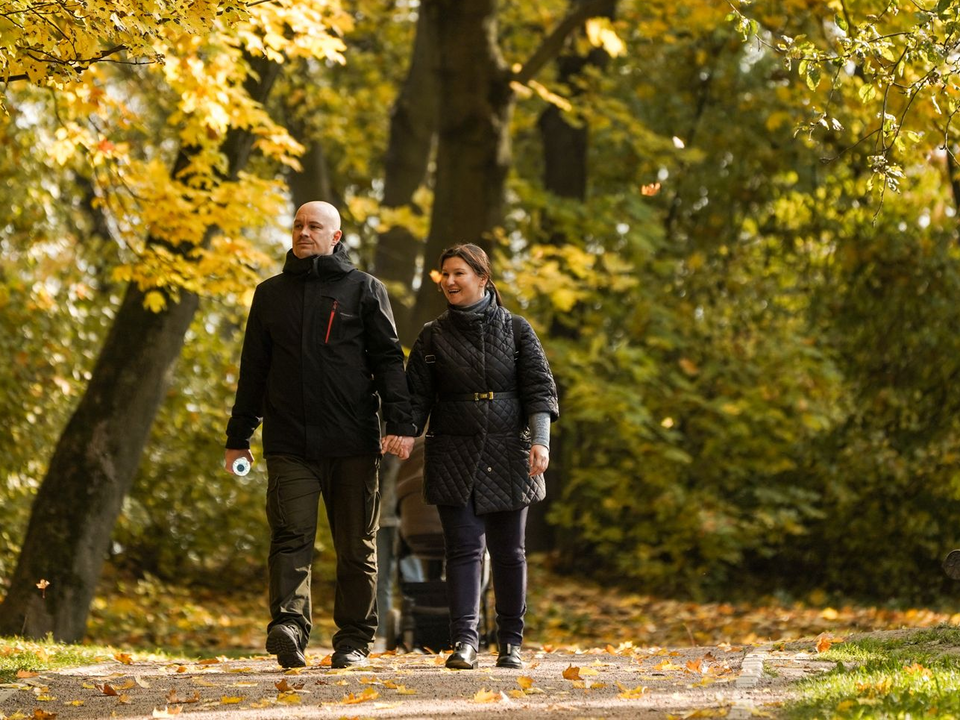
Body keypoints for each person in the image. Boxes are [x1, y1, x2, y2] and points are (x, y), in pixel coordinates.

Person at [224, 201, 414, 669]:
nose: (304, 232)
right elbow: (254, 371)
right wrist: (238, 436)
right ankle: (288, 627)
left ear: (336, 235)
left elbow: (390, 362)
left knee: (356, 544)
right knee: (290, 536)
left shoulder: (365, 290)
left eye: (314, 226)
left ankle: (353, 640)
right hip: (291, 444)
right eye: (298, 225)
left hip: (353, 441)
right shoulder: (269, 294)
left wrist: (402, 425)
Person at [384, 243, 559, 670]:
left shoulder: (517, 330)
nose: (449, 281)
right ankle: (464, 642)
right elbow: (417, 396)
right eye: (445, 274)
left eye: (459, 273)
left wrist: (541, 441)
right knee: (461, 549)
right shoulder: (432, 335)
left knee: (508, 552)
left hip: (509, 452)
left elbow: (539, 390)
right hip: (452, 452)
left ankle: (511, 643)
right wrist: (405, 435)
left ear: (483, 278)